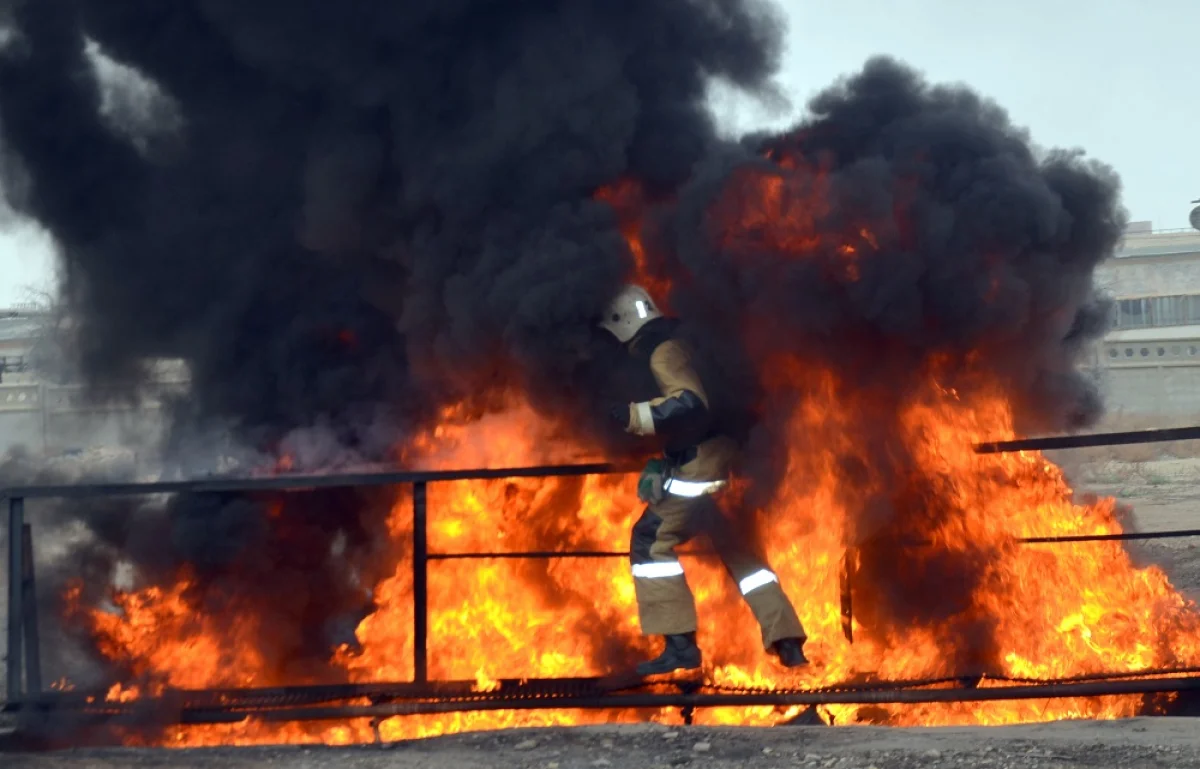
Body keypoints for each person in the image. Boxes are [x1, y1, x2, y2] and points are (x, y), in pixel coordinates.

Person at [599, 284, 809, 675]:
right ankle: (787, 639)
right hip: (727, 459)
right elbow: (706, 417)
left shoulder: (662, 353)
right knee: (739, 549)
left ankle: (679, 645)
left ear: (625, 326)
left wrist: (633, 416)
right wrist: (665, 460)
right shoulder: (688, 343)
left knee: (650, 540)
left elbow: (690, 402)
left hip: (703, 468)